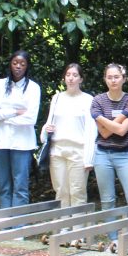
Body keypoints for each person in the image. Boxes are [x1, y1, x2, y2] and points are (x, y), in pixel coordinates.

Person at [91, 63, 128, 245]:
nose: (113, 80)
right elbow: (105, 134)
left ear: (123, 78)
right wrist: (116, 121)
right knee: (107, 200)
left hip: (125, 154)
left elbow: (121, 131)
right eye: (109, 77)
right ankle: (112, 239)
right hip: (102, 154)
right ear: (105, 79)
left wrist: (101, 119)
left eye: (116, 77)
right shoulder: (97, 100)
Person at [0, 51, 41, 209]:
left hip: (23, 145)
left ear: (27, 66)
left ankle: (18, 229)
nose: (18, 67)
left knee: (21, 188)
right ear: (10, 64)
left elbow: (30, 119)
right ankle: (5, 228)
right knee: (4, 187)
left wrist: (1, 116)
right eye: (15, 63)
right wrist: (15, 112)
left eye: (22, 64)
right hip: (0, 142)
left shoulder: (33, 88)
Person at [41, 63, 96, 208]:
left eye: (75, 75)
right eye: (68, 75)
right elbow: (47, 125)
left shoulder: (88, 99)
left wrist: (89, 158)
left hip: (78, 151)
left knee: (78, 191)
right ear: (64, 78)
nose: (71, 78)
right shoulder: (57, 98)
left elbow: (91, 130)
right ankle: (64, 227)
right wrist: (46, 130)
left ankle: (78, 227)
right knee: (61, 191)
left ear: (81, 79)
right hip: (57, 151)